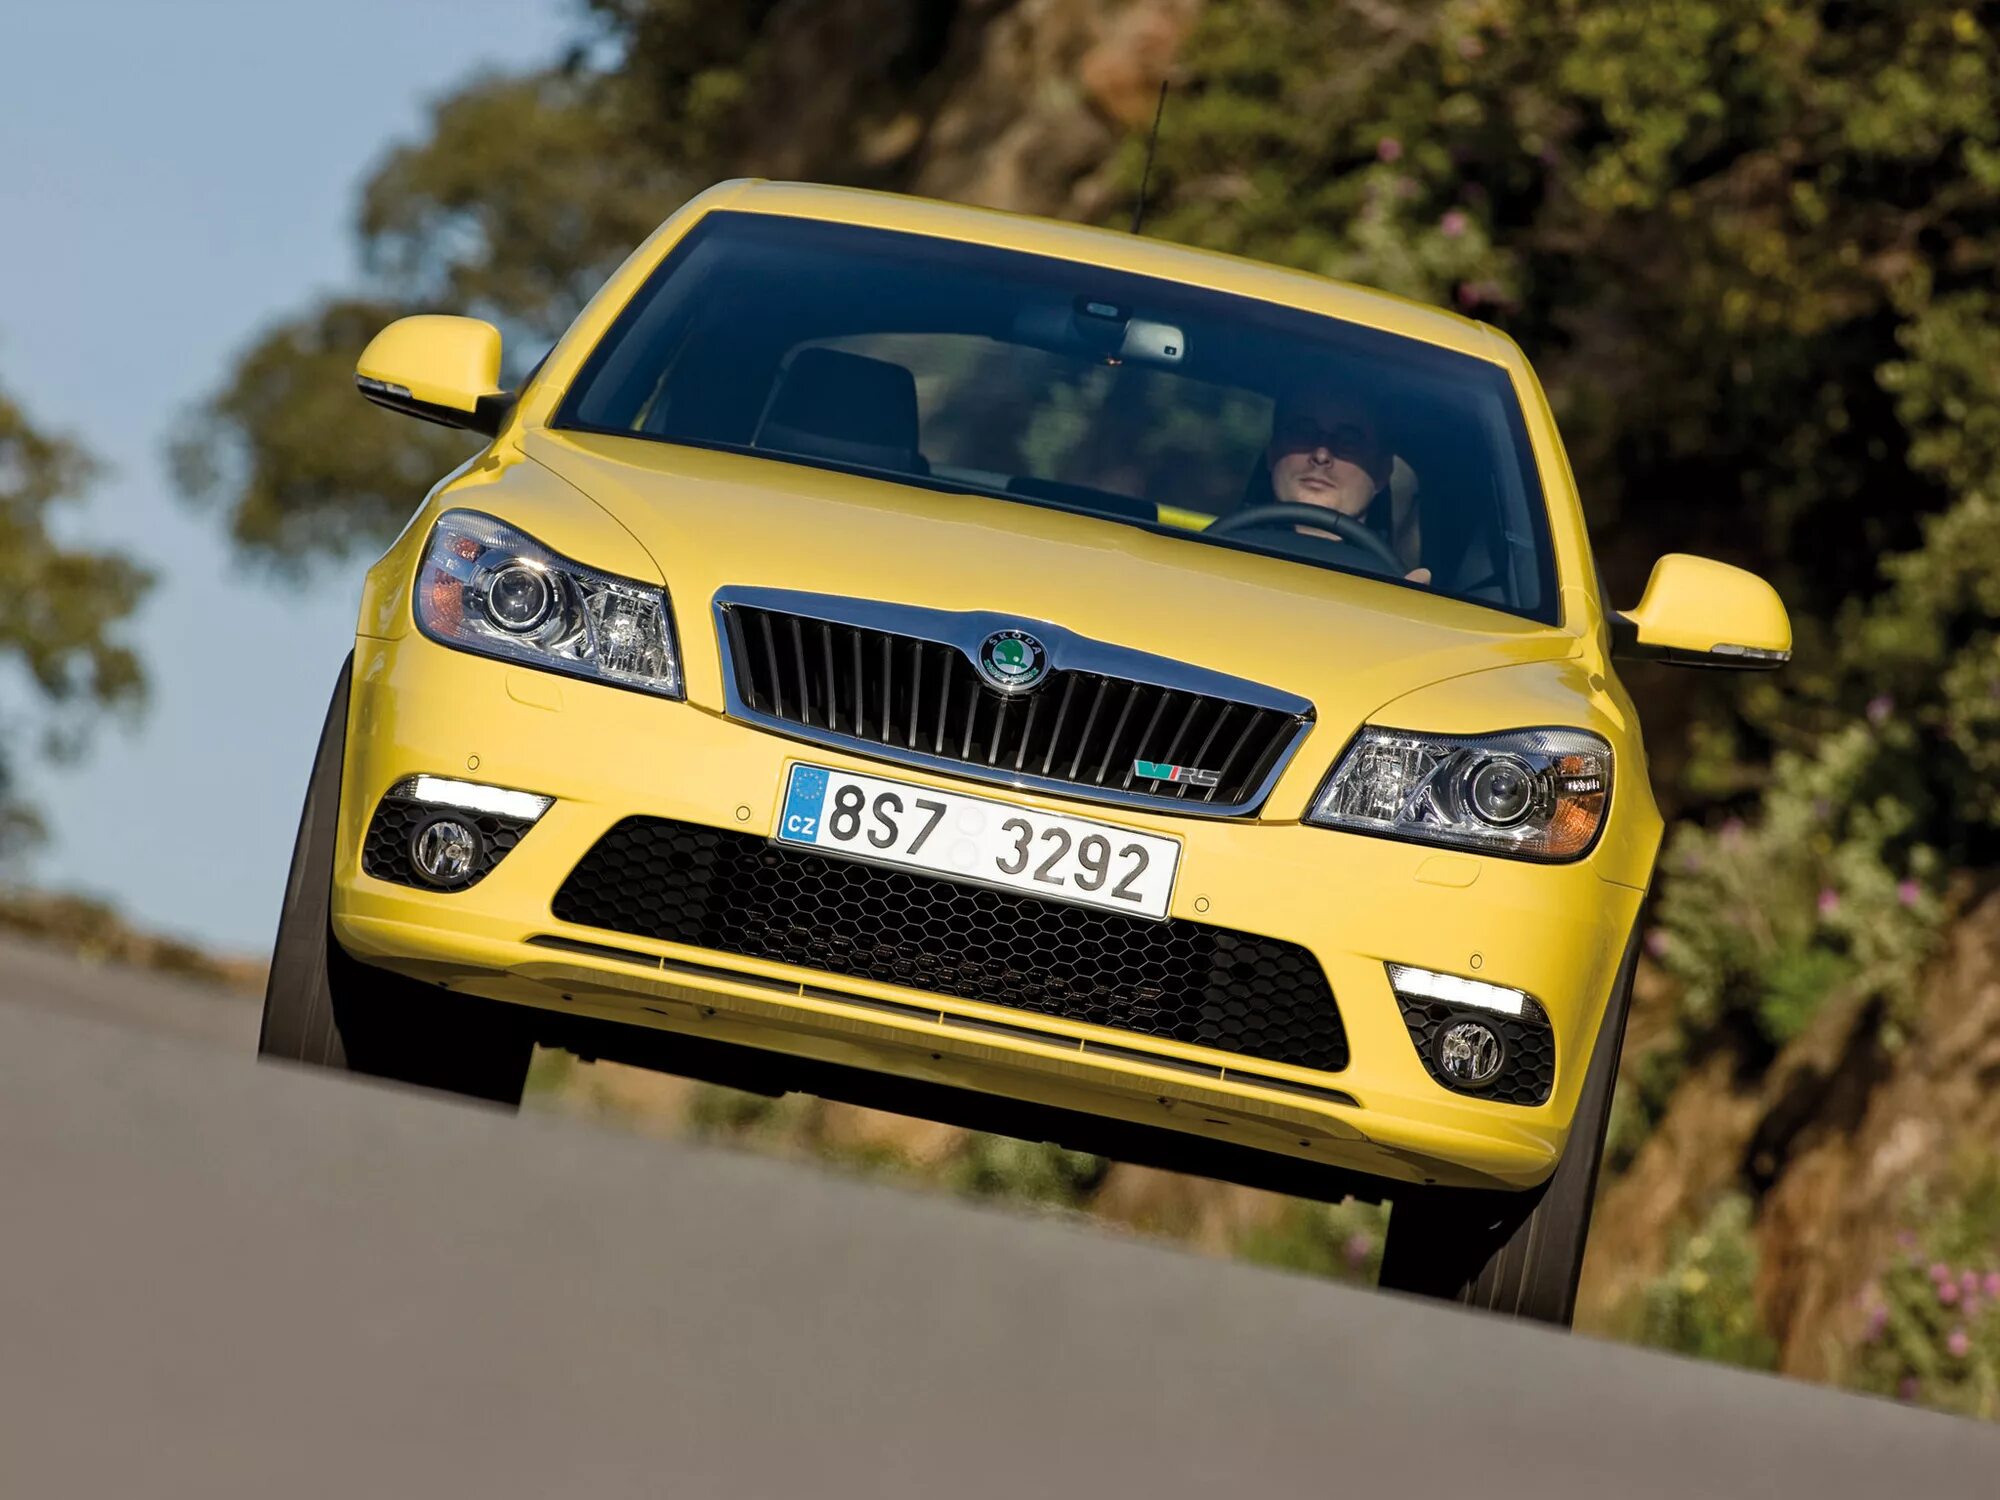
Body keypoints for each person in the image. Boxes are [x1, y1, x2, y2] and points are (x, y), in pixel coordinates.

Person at [1256, 384, 1431, 585]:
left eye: (1349, 441)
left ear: (1382, 471)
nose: (1321, 455)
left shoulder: (1398, 592)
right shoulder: (1213, 555)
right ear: (1272, 452)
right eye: (1303, 432)